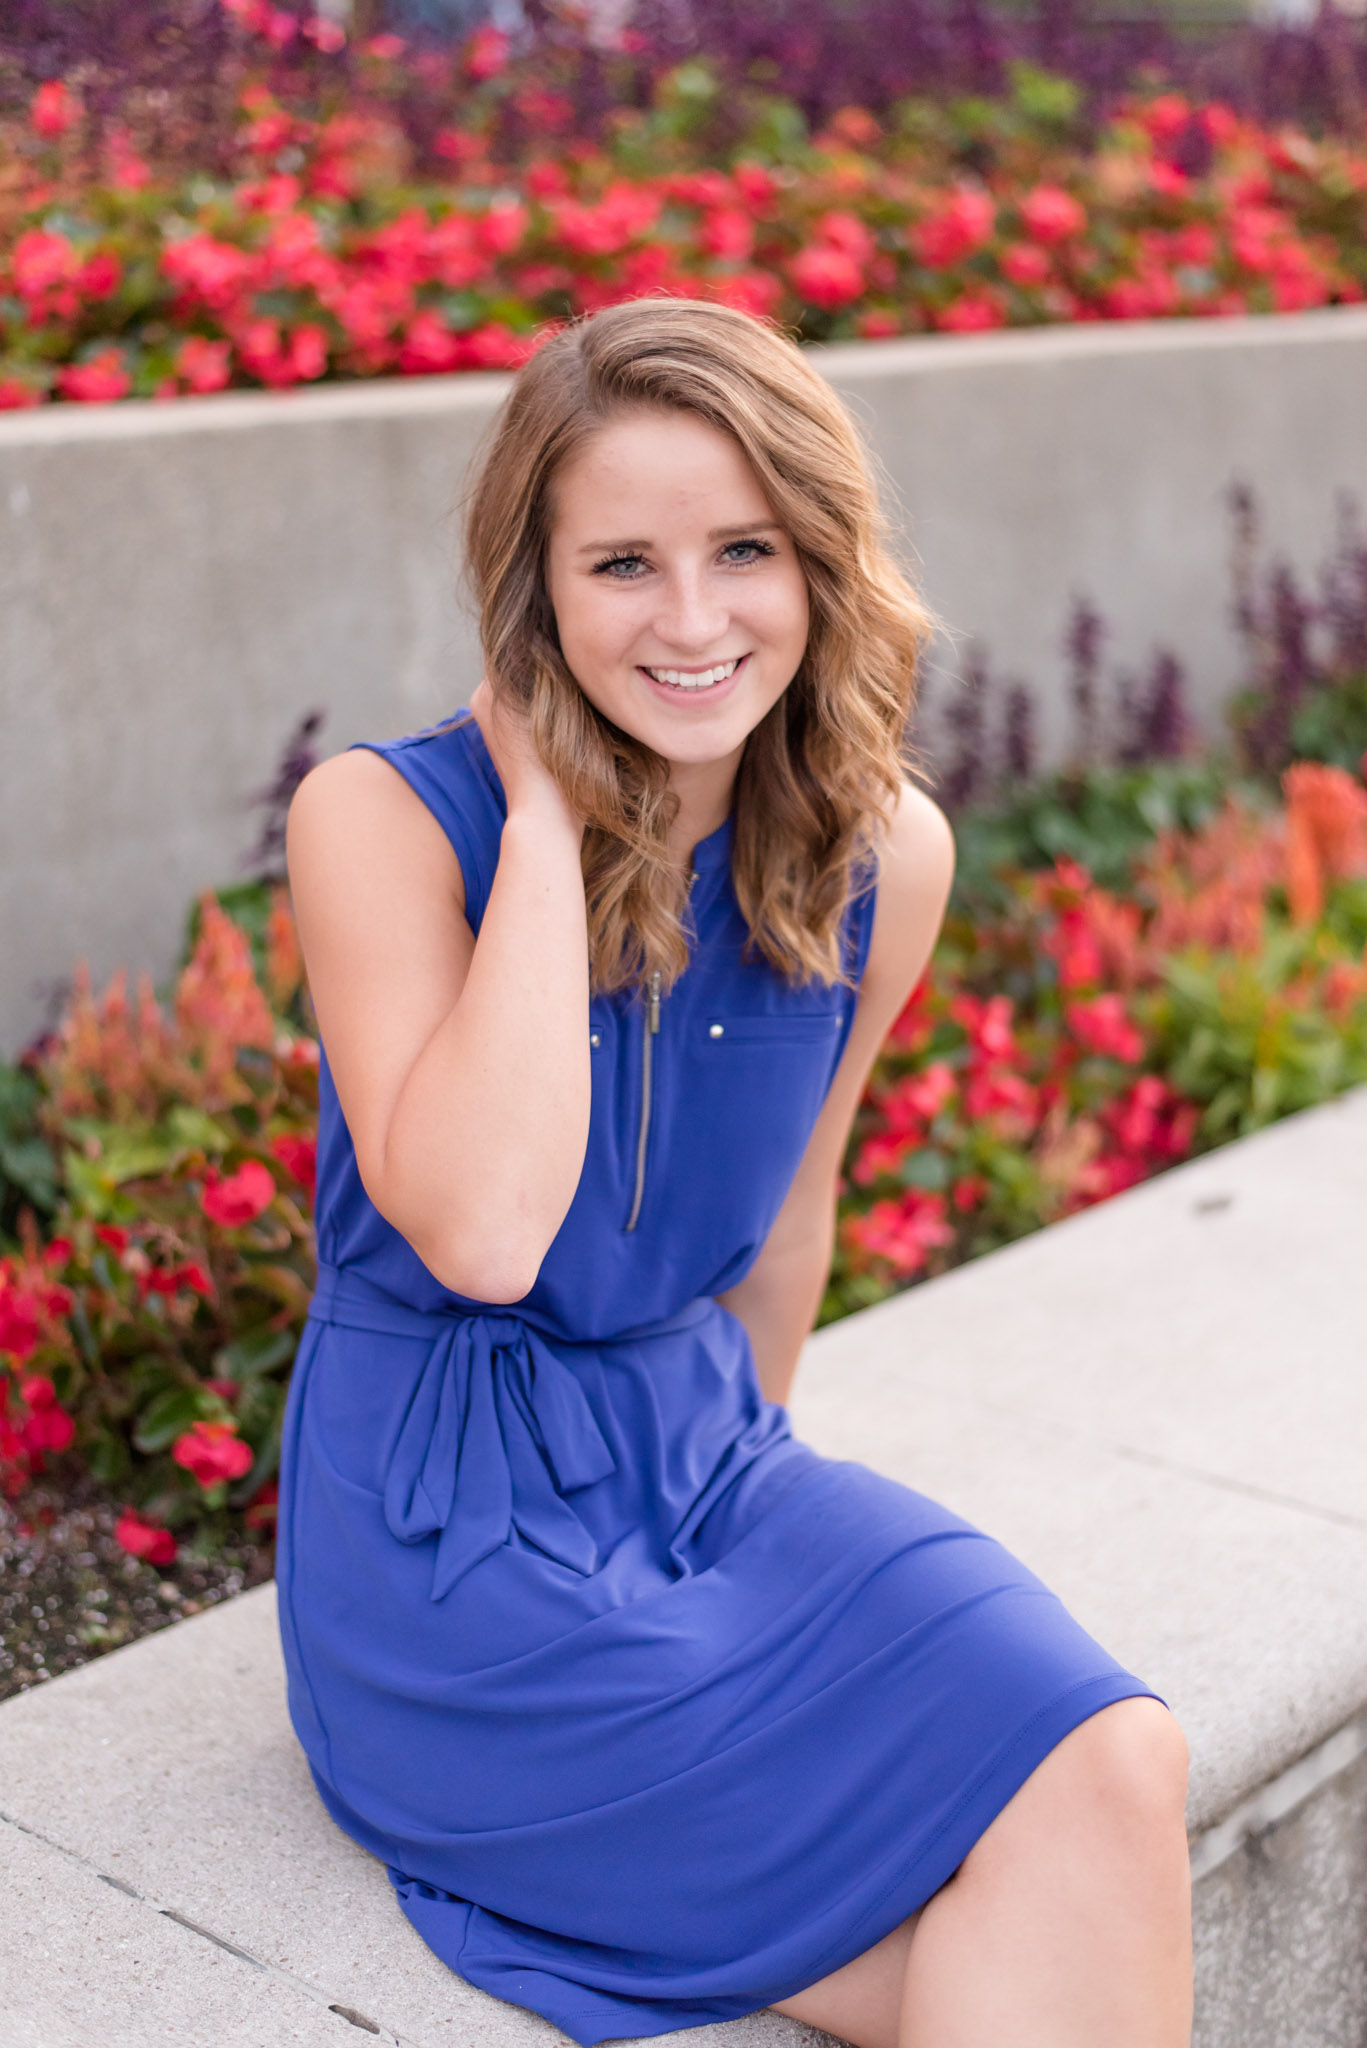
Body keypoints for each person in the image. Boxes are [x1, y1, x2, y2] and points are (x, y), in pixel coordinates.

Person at [278, 297, 1193, 2048]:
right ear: (532, 588)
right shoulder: (384, 825)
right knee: (1031, 1928)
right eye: (621, 561)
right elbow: (475, 1230)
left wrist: (742, 1546)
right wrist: (550, 829)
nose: (691, 621)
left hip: (706, 1466)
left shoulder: (883, 856)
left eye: (744, 551)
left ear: (821, 561)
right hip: (441, 1546)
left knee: (1113, 1757)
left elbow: (786, 1220)